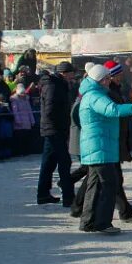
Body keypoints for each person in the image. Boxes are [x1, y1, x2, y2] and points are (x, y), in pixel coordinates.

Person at [77, 63, 132, 234]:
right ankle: (103, 223)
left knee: (94, 186)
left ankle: (87, 221)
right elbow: (113, 110)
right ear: (101, 80)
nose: (110, 81)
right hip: (100, 147)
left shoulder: (94, 94)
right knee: (108, 185)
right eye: (107, 78)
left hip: (98, 146)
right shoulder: (95, 95)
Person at [37, 61, 76, 205]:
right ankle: (68, 197)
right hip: (54, 130)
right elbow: (50, 111)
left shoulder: (57, 84)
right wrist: (60, 127)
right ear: (64, 73)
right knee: (64, 162)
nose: (73, 75)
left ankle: (42, 194)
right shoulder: (54, 86)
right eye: (71, 73)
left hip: (53, 129)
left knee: (48, 163)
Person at [10, 84, 35, 156]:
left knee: (26, 138)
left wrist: (32, 121)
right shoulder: (14, 100)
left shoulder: (26, 100)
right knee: (19, 139)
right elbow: (15, 112)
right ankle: (19, 152)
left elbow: (30, 111)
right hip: (19, 123)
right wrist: (18, 121)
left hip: (27, 121)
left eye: (24, 93)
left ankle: (25, 151)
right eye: (21, 93)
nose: (23, 95)